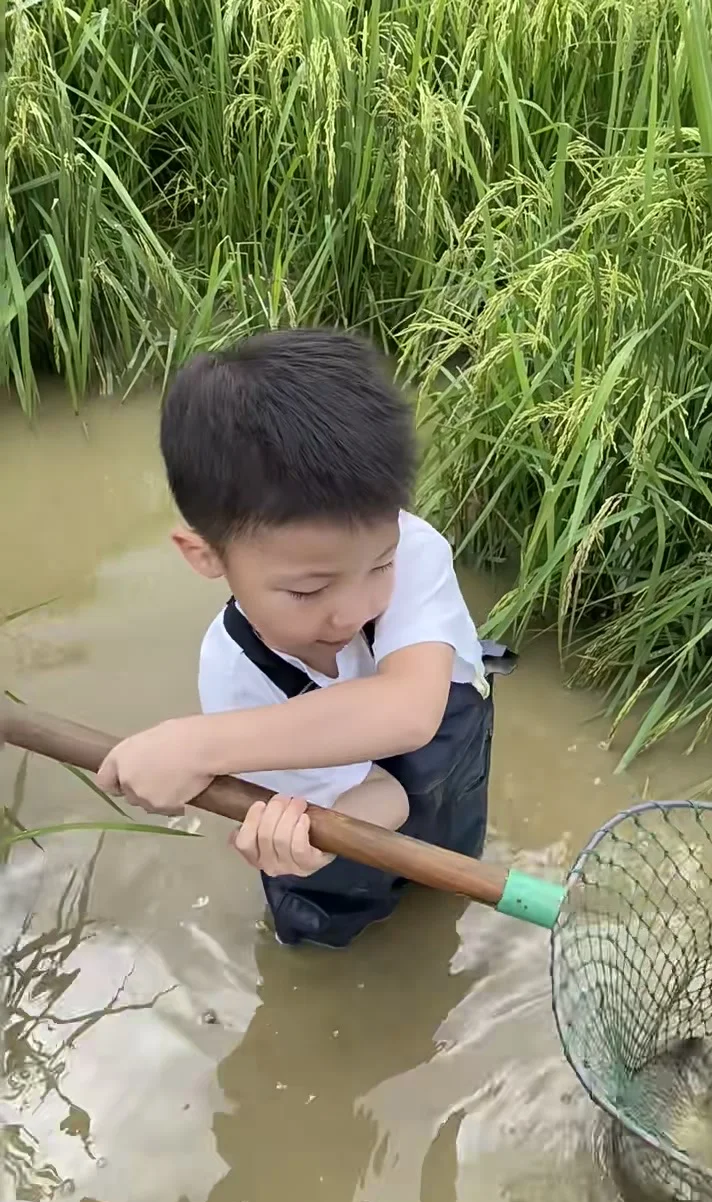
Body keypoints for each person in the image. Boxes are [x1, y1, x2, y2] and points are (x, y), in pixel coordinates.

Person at [96, 327, 511, 948]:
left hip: (449, 773)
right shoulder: (237, 673)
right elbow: (384, 799)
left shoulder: (417, 552)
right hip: (348, 826)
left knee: (451, 887)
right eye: (308, 591)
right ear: (205, 555)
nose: (351, 612)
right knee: (324, 944)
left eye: (379, 565)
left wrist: (198, 746)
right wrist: (311, 843)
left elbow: (409, 711)